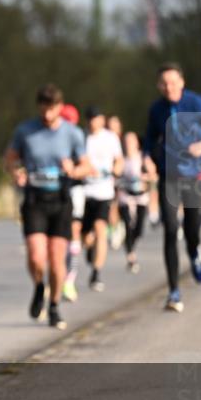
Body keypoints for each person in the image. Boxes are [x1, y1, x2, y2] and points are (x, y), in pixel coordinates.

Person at [5, 84, 90, 330]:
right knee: (35, 255)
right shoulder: (25, 131)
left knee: (56, 258)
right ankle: (39, 286)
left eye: (52, 110)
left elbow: (86, 166)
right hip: (34, 200)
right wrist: (16, 172)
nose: (47, 115)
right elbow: (9, 158)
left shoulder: (72, 133)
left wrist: (73, 170)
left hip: (61, 200)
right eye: (43, 109)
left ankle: (53, 305)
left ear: (60, 108)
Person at [143, 62, 201, 312]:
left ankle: (194, 250)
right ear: (158, 85)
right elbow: (149, 138)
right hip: (169, 175)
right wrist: (147, 156)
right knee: (169, 228)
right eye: (164, 83)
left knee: (191, 228)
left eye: (172, 82)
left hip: (195, 175)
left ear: (182, 82)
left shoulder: (197, 103)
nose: (168, 87)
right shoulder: (156, 109)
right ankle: (174, 291)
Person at [80, 106, 123, 292]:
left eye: (95, 118)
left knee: (100, 230)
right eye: (89, 118)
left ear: (101, 119)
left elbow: (119, 160)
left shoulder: (110, 138)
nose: (92, 122)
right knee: (86, 237)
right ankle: (90, 249)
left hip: (104, 191)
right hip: (84, 191)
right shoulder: (82, 137)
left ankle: (96, 273)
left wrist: (116, 170)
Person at [59, 103, 86, 303]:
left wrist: (75, 169)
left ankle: (70, 278)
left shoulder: (78, 136)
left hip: (75, 189)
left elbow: (87, 164)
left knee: (74, 231)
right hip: (54, 191)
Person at [118, 131, 155, 273]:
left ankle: (130, 243)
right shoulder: (121, 159)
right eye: (126, 141)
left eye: (131, 141)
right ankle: (131, 258)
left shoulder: (143, 158)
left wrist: (145, 177)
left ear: (137, 143)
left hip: (141, 196)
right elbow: (115, 174)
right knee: (128, 224)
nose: (128, 144)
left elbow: (153, 175)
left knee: (138, 229)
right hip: (125, 196)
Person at [106, 114, 127, 250]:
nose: (112, 129)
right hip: (109, 179)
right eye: (110, 126)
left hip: (124, 179)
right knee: (111, 206)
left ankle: (119, 225)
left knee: (118, 206)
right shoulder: (104, 141)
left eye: (115, 126)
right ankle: (113, 228)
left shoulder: (124, 142)